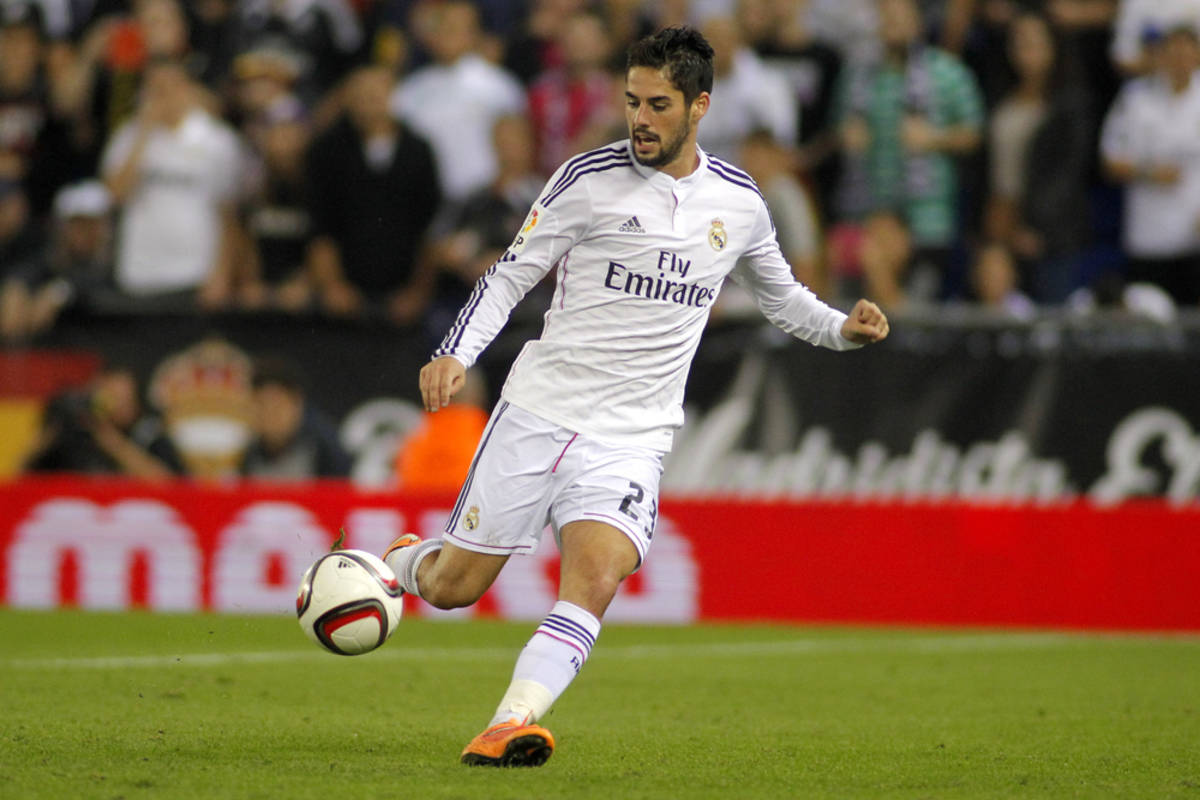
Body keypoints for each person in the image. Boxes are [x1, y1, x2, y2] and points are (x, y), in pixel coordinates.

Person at [381, 26, 889, 768]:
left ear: (700, 106)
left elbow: (782, 298)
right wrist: (457, 352)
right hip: (541, 411)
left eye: (658, 105)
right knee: (453, 587)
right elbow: (512, 273)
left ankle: (509, 722)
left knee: (598, 574)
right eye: (631, 101)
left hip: (632, 436)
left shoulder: (738, 203)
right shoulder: (586, 179)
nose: (640, 120)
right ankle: (403, 565)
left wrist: (843, 329)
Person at [1100, 23, 1200, 306]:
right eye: (1174, 52)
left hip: (1195, 240)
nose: (1180, 60)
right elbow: (1109, 161)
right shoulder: (1136, 99)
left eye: (1187, 52)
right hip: (1149, 237)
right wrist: (1149, 172)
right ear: (1161, 55)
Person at [22, 363, 183, 479]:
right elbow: (23, 473)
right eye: (113, 396)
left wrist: (108, 438)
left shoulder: (149, 433)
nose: (118, 405)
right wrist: (54, 426)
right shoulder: (77, 433)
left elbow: (168, 483)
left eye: (125, 399)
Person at [239, 357, 350, 481]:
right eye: (261, 405)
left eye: (277, 407)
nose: (269, 416)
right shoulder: (248, 455)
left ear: (298, 404)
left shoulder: (325, 450)